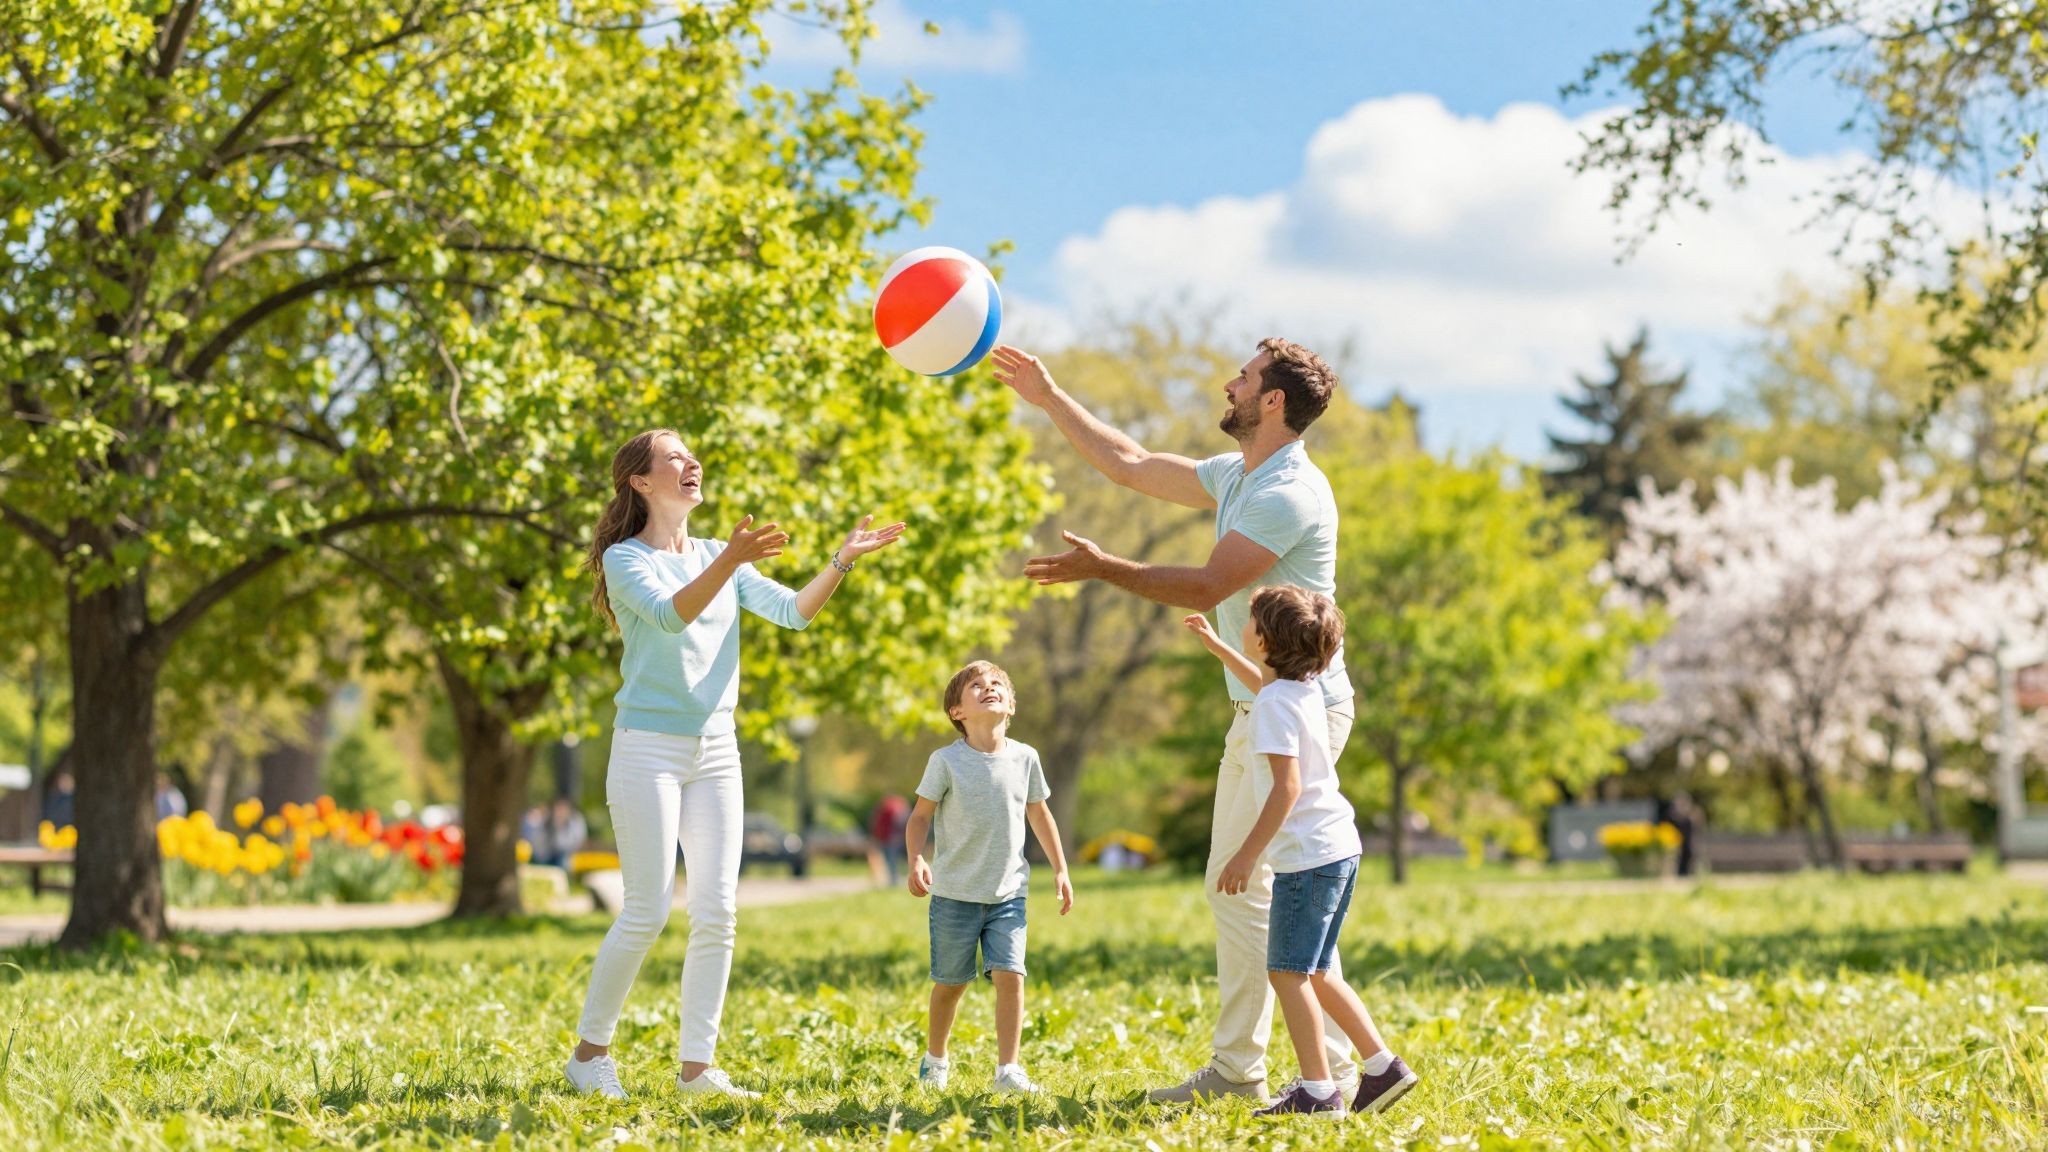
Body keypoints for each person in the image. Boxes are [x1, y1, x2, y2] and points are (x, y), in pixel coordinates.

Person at [991, 341, 1360, 1102]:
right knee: (1244, 890)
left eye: (1245, 377)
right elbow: (1130, 463)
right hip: (1260, 706)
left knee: (1270, 890)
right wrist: (1051, 395)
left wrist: (1105, 568)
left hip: (1296, 711)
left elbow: (1206, 585)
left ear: (1272, 403)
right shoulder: (1239, 475)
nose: (1230, 383)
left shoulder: (1288, 491)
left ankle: (1306, 1069)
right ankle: (1264, 1067)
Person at [563, 428, 907, 1102]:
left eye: (693, 456)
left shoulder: (723, 555)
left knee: (718, 910)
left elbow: (793, 613)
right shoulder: (625, 561)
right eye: (675, 458)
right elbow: (669, 618)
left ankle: (697, 1070)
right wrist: (729, 563)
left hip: (716, 749)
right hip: (648, 750)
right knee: (648, 910)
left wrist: (840, 561)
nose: (692, 464)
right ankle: (589, 1055)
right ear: (640, 480)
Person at [1186, 587, 1416, 1118]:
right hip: (1339, 847)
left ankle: (1318, 1091)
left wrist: (1246, 855)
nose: (1243, 625)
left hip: (1308, 859)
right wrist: (1219, 647)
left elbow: (1285, 789)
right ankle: (1383, 1067)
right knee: (1314, 971)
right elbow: (1261, 685)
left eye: (1248, 622)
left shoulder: (1270, 709)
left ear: (1264, 640)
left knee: (1288, 973)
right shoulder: (1301, 689)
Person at [905, 660, 1074, 1095]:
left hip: (1008, 893)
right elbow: (920, 816)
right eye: (976, 685)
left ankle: (1008, 1071)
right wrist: (916, 859)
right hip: (955, 894)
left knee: (1011, 976)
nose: (989, 687)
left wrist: (1060, 868)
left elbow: (1039, 812)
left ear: (1011, 705)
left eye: (997, 683)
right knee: (950, 984)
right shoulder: (945, 761)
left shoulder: (1025, 758)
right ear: (956, 712)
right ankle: (935, 1060)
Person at [870, 793, 910, 885]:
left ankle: (894, 880)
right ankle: (895, 880)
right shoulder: (893, 809)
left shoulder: (884, 810)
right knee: (892, 860)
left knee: (891, 861)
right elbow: (900, 823)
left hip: (887, 839)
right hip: (890, 839)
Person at [547, 796, 588, 864]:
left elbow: (578, 842)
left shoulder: (576, 820)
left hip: (570, 855)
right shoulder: (551, 822)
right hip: (552, 855)